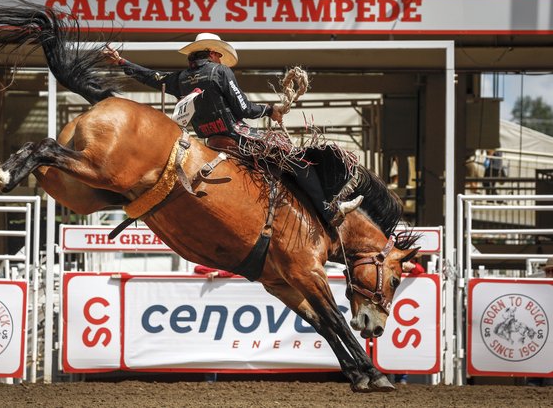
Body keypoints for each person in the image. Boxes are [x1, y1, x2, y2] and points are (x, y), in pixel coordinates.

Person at [103, 33, 360, 231]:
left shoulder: (180, 78)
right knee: (298, 160)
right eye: (220, 56)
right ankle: (328, 211)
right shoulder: (220, 72)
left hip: (210, 141)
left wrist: (122, 62)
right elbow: (245, 108)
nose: (221, 59)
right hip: (239, 137)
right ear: (214, 54)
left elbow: (151, 77)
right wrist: (270, 110)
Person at [394, 259, 425, 385]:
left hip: (404, 308)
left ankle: (401, 377)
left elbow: (420, 271)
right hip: (397, 305)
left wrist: (411, 266)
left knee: (399, 342)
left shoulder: (409, 261)